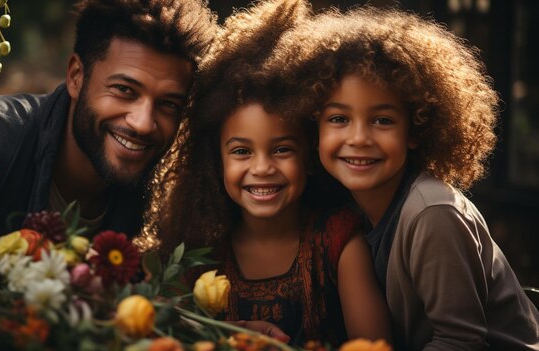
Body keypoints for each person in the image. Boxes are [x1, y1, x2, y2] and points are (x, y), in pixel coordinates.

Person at [265, 6, 539, 350]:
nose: (359, 138)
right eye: (338, 119)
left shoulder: (433, 212)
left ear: (415, 130)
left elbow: (460, 342)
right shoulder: (346, 206)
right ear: (313, 126)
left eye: (382, 120)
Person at [142, 0, 392, 346]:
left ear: (310, 155)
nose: (261, 168)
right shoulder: (200, 256)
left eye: (282, 149)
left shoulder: (339, 243)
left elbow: (374, 345)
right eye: (242, 152)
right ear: (216, 160)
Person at [0, 0, 216, 244]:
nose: (143, 123)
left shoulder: (164, 199)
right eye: (124, 90)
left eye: (168, 104)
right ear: (75, 77)